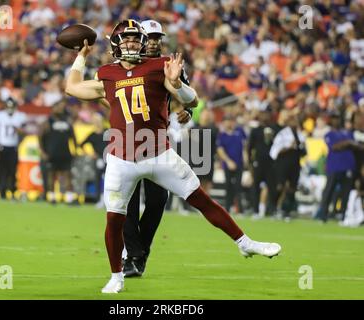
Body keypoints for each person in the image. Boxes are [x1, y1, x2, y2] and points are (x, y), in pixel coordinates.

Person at [65, 19, 281, 294]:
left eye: (135, 38)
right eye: (127, 38)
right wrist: (80, 57)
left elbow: (191, 100)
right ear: (116, 44)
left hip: (159, 154)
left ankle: (245, 243)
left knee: (200, 198)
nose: (132, 43)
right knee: (114, 219)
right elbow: (72, 88)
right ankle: (117, 275)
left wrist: (176, 83)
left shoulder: (160, 66)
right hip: (122, 158)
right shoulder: (107, 73)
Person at [122, 20, 196, 278]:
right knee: (127, 201)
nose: (153, 41)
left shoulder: (168, 64)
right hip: (126, 139)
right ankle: (133, 256)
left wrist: (186, 110)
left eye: (157, 37)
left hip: (155, 141)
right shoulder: (125, 63)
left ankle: (140, 251)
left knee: (157, 199)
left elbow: (186, 95)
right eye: (149, 37)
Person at [38, 100, 78, 205]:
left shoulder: (67, 121)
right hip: (52, 153)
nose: (61, 109)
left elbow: (73, 137)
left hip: (65, 153)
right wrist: (42, 152)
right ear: (53, 108)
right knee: (51, 175)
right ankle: (52, 197)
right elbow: (40, 137)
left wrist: (75, 149)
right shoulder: (48, 122)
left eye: (62, 107)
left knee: (67, 175)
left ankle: (69, 198)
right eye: (59, 107)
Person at [270, 112, 306, 220]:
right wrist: (289, 147)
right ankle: (273, 207)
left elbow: (304, 152)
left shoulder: (300, 135)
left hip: (295, 163)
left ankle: (287, 210)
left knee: (292, 188)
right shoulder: (282, 134)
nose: (295, 123)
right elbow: (274, 151)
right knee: (280, 186)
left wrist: (302, 148)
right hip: (283, 163)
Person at [0, 98, 27, 200]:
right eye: (8, 106)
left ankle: (12, 192)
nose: (10, 108)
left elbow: (23, 133)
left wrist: (20, 132)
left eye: (11, 106)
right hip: (2, 146)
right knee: (0, 171)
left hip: (13, 147)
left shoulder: (20, 116)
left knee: (12, 171)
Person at [247, 108, 278, 217]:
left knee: (272, 186)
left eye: (266, 114)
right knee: (256, 187)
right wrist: (250, 162)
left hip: (270, 163)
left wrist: (271, 138)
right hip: (258, 162)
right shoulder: (255, 130)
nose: (265, 117)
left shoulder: (274, 130)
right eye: (263, 114)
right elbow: (249, 147)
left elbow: (277, 146)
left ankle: (271, 210)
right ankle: (255, 210)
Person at [216, 113, 247, 213]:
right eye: (227, 121)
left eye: (231, 120)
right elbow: (220, 150)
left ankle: (240, 209)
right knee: (228, 186)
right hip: (228, 164)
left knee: (238, 186)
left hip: (239, 163)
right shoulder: (222, 135)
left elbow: (245, 145)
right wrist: (228, 162)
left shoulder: (239, 131)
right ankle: (227, 208)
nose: (229, 123)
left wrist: (245, 157)